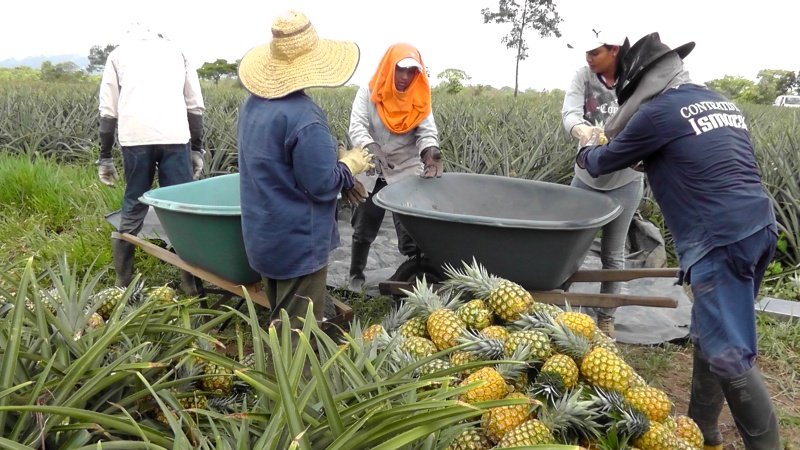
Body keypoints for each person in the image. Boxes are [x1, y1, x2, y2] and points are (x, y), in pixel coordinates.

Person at [577, 32, 780, 449]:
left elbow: (600, 164)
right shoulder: (718, 100)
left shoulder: (657, 113)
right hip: (759, 226)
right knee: (711, 331)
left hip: (719, 239)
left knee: (729, 352)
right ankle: (703, 430)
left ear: (645, 82)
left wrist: (585, 148)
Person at [237, 10, 373, 329]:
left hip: (263, 236)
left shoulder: (252, 105)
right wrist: (347, 166)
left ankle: (277, 370)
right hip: (297, 242)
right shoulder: (305, 116)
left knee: (279, 317)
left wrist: (333, 157)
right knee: (298, 337)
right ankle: (291, 378)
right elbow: (322, 184)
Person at [97, 22, 205, 293]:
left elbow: (108, 110)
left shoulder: (118, 54)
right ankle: (191, 284)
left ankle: (123, 282)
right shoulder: (176, 52)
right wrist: (197, 148)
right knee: (179, 207)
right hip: (175, 137)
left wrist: (105, 157)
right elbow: (194, 104)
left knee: (134, 202)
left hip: (135, 139)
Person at [561, 29, 644, 339]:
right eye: (586, 52)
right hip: (586, 176)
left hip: (625, 180)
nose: (588, 58)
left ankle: (605, 317)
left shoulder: (636, 78)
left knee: (613, 253)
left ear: (613, 50)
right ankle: (562, 310)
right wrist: (581, 130)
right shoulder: (583, 76)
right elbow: (569, 112)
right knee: (569, 247)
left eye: (594, 52)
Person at [347, 43, 442, 292]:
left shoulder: (419, 96)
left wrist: (430, 152)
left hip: (404, 167)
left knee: (411, 228)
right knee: (363, 226)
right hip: (372, 164)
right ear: (389, 68)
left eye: (411, 72)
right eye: (400, 70)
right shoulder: (368, 92)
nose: (405, 77)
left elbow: (427, 131)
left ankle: (412, 274)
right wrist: (371, 147)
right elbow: (356, 126)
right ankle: (356, 274)